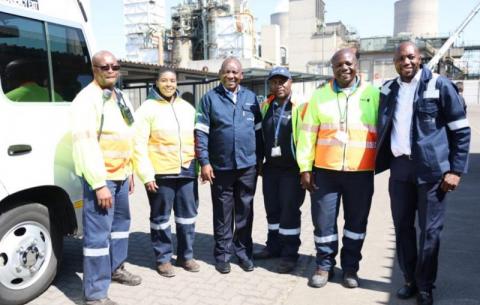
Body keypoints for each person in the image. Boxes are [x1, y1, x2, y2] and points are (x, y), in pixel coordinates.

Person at [376, 41, 470, 305]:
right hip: (400, 169)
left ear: (420, 58)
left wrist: (455, 170)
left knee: (430, 232)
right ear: (394, 62)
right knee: (402, 227)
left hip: (432, 172)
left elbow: (461, 130)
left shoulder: (439, 85)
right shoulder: (388, 89)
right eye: (400, 59)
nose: (405, 62)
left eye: (410, 57)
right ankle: (409, 280)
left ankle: (426, 286)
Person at [296, 48, 380, 289]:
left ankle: (351, 268)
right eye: (338, 65)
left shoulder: (373, 95)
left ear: (356, 65)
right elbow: (307, 135)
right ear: (332, 69)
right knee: (323, 223)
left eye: (348, 63)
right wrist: (305, 167)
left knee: (356, 223)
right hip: (325, 172)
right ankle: (324, 265)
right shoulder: (319, 97)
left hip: (360, 172)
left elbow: (385, 133)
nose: (344, 68)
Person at [71, 50, 141, 305]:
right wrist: (99, 184)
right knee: (98, 236)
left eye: (115, 66)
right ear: (94, 70)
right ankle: (95, 294)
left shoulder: (119, 96)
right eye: (105, 67)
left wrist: (130, 169)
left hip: (121, 174)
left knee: (121, 227)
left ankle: (116, 269)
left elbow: (129, 133)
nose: (111, 70)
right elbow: (85, 145)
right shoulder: (86, 100)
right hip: (102, 179)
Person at [194, 57, 263, 274]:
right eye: (227, 72)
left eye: (235, 72)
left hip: (247, 166)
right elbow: (201, 133)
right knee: (223, 213)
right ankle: (222, 255)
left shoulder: (251, 98)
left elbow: (259, 133)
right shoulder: (209, 99)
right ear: (220, 74)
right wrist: (204, 162)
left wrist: (259, 161)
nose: (231, 76)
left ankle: (243, 253)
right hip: (221, 167)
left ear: (241, 75)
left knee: (245, 211)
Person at [133, 67, 199, 277]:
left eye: (172, 80)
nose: (169, 84)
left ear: (177, 83)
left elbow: (197, 139)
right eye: (164, 80)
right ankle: (163, 259)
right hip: (161, 174)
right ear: (157, 82)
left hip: (187, 170)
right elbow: (138, 144)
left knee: (187, 217)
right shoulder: (147, 109)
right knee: (161, 219)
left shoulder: (187, 108)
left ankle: (185, 256)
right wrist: (146, 174)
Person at [253, 67, 306, 274]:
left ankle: (289, 254)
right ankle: (273, 247)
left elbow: (308, 140)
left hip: (292, 170)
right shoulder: (266, 106)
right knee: (272, 211)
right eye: (274, 82)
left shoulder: (300, 107)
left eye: (283, 81)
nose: (279, 85)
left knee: (289, 212)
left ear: (291, 82)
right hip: (271, 169)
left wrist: (306, 169)